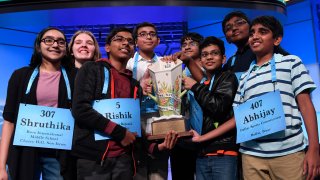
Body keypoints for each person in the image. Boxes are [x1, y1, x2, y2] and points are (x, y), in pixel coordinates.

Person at [194, 16, 320, 180]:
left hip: (288, 153)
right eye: (252, 32)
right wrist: (202, 138)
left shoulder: (291, 62)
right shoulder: (245, 77)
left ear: (277, 39)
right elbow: (237, 118)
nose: (255, 36)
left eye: (263, 32)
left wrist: (314, 148)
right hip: (251, 156)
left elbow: (306, 105)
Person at [71, 27, 178, 180]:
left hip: (125, 159)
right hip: (94, 159)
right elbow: (80, 109)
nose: (125, 43)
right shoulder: (92, 69)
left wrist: (155, 147)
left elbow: (133, 125)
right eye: (119, 39)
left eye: (130, 41)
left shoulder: (134, 84)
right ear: (107, 47)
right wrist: (120, 133)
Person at [0, 27, 75, 180]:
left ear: (66, 49)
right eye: (48, 40)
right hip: (24, 151)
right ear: (38, 46)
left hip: (59, 154)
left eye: (61, 42)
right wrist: (1, 166)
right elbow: (9, 122)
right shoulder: (20, 76)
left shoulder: (75, 78)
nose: (55, 45)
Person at [183, 36, 238, 180]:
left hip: (223, 152)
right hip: (202, 153)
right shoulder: (205, 83)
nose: (209, 57)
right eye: (205, 55)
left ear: (223, 58)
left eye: (214, 53)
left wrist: (195, 86)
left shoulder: (228, 77)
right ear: (200, 61)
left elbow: (218, 107)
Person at [126, 22, 171, 180]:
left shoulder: (166, 64)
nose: (148, 37)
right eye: (143, 34)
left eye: (152, 34)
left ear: (158, 41)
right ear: (136, 41)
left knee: (159, 173)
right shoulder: (128, 64)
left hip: (160, 119)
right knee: (137, 172)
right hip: (135, 121)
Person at [170, 32, 204, 180]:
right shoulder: (177, 71)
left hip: (205, 132)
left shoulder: (211, 69)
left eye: (192, 43)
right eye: (184, 45)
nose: (187, 47)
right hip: (183, 135)